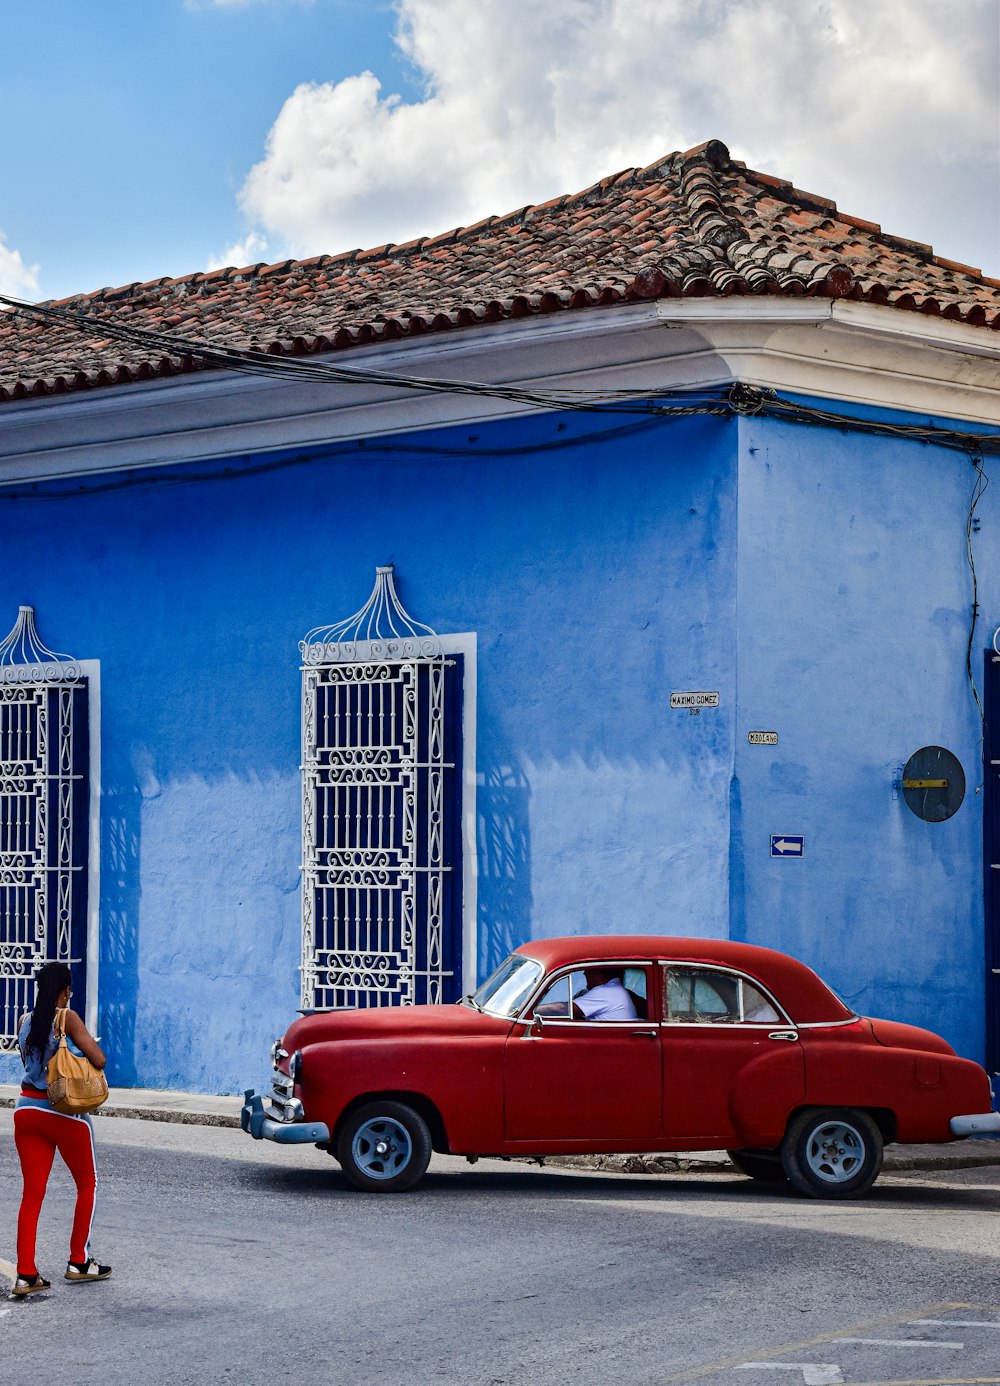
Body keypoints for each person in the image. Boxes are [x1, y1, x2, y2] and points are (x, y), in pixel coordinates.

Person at [12, 961, 112, 1297]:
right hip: (61, 1112)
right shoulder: (65, 1018)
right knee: (88, 1184)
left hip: (25, 1110)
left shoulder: (23, 1021)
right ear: (65, 990)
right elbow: (98, 1059)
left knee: (32, 1195)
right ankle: (79, 1261)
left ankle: (26, 1274)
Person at [536, 967, 638, 1021]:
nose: (584, 973)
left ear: (599, 972)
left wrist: (532, 1010)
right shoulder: (615, 990)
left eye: (589, 970)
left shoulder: (605, 993)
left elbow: (561, 1009)